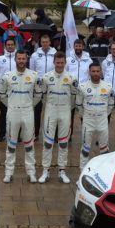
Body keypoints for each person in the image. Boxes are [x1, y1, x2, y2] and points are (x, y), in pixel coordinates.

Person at [0, 50, 41, 183]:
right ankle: (8, 172)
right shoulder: (7, 76)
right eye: (19, 58)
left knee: (29, 143)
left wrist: (29, 105)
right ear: (15, 60)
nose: (21, 61)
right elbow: (1, 95)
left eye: (23, 58)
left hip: (28, 113)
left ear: (26, 59)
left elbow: (38, 95)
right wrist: (11, 105)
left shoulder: (34, 75)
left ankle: (31, 172)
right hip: (13, 113)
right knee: (11, 143)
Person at [39, 52, 76, 184]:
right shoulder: (46, 77)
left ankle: (62, 170)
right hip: (51, 110)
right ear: (53, 62)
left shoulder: (71, 78)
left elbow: (74, 96)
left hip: (65, 110)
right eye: (57, 62)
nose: (59, 65)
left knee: (64, 142)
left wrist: (67, 108)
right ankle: (46, 170)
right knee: (48, 143)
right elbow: (42, 95)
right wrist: (49, 106)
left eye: (62, 63)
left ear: (65, 62)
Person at [76, 62, 114, 170]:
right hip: (88, 120)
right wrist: (87, 115)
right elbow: (79, 105)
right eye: (93, 71)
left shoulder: (108, 87)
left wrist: (102, 114)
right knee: (85, 148)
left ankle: (103, 172)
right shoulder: (82, 87)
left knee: (104, 148)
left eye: (98, 71)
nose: (95, 73)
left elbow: (111, 105)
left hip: (102, 120)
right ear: (89, 72)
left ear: (101, 72)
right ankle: (82, 174)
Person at [30, 34, 56, 139]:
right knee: (37, 111)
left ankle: (50, 132)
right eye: (43, 42)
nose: (45, 44)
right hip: (38, 87)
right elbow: (32, 71)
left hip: (51, 86)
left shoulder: (55, 54)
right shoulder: (35, 55)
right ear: (41, 43)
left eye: (47, 42)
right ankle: (35, 133)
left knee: (51, 111)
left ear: (50, 42)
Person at [0, 37, 18, 141]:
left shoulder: (18, 58)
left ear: (15, 45)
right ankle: (2, 134)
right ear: (5, 46)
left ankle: (16, 135)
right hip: (3, 91)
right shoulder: (0, 59)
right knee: (3, 113)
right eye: (8, 45)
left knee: (17, 114)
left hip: (16, 90)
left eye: (12, 44)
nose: (10, 46)